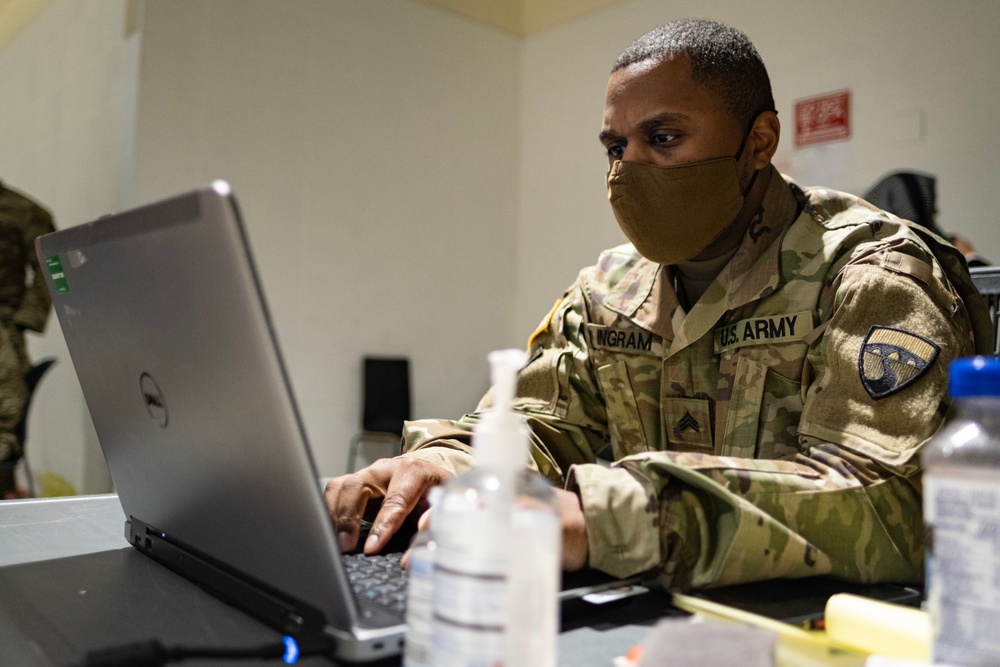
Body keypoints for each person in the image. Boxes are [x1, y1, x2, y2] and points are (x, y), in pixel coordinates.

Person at [324, 19, 994, 591]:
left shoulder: (872, 273)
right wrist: (445, 464)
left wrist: (612, 517)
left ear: (758, 142)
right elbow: (543, 427)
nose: (626, 169)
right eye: (616, 147)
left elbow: (891, 503)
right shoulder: (609, 291)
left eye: (663, 138)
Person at [0, 182, 55, 498]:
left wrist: (24, 320)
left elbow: (50, 264)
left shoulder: (23, 211)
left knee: (6, 419)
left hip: (6, 329)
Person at [863, 171, 991, 267]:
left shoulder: (865, 253)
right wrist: (970, 257)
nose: (936, 211)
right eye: (928, 207)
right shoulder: (911, 258)